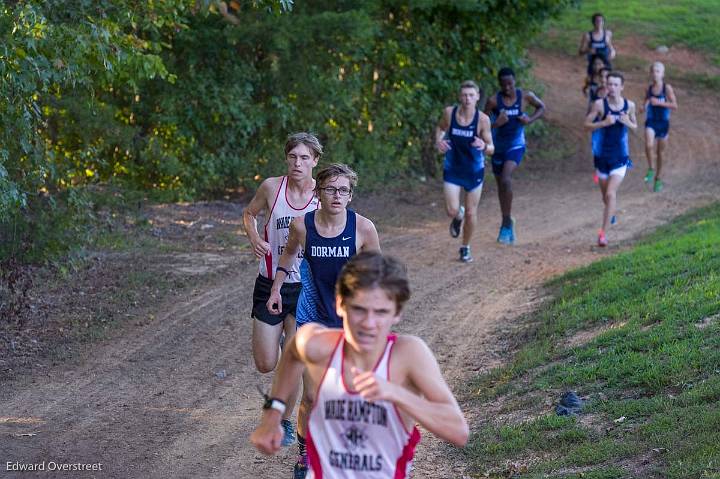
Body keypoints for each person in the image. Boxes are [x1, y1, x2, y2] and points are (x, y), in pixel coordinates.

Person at [251, 252, 469, 478]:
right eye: (359, 309)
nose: (369, 323)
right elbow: (294, 352)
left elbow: (458, 431)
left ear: (397, 313)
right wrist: (273, 414)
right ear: (340, 304)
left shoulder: (408, 355)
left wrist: (395, 393)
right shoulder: (318, 344)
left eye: (381, 312)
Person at [267, 163, 381, 478]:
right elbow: (288, 254)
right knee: (315, 395)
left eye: (343, 190)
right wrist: (276, 288)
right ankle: (305, 454)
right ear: (318, 193)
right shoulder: (303, 226)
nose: (336, 196)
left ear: (350, 195)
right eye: (330, 189)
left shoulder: (363, 228)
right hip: (312, 319)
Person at [242, 132, 322, 447]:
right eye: (293, 157)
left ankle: (284, 422)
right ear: (286, 159)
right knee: (265, 362)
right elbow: (249, 214)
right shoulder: (271, 188)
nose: (297, 163)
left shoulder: (323, 195)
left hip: (305, 288)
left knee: (295, 358)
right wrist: (253, 237)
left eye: (304, 158)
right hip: (269, 283)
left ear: (315, 161)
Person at [434, 80, 494, 262]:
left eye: (471, 95)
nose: (467, 99)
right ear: (460, 97)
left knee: (471, 212)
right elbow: (440, 128)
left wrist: (484, 145)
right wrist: (439, 141)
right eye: (464, 95)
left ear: (477, 97)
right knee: (452, 210)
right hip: (452, 168)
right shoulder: (449, 113)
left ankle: (465, 247)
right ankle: (457, 216)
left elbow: (492, 147)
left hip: (474, 171)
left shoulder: (483, 120)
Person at [484, 68, 545, 245]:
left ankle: (505, 224)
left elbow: (542, 107)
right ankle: (507, 220)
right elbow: (482, 126)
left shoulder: (525, 96)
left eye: (510, 84)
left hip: (516, 144)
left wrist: (530, 120)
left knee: (506, 178)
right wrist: (496, 123)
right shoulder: (493, 101)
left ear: (515, 82)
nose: (508, 88)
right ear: (499, 85)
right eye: (504, 85)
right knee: (501, 187)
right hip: (497, 146)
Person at [584, 72, 637, 247]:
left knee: (610, 193)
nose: (612, 88)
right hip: (601, 157)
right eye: (610, 84)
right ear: (606, 86)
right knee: (605, 197)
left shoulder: (630, 106)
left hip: (621, 157)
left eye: (616, 84)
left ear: (622, 87)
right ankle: (611, 212)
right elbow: (586, 125)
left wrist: (627, 122)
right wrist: (603, 123)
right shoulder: (599, 105)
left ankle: (603, 234)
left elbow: (635, 126)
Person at [642, 61, 678, 192]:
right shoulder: (649, 88)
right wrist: (643, 107)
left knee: (660, 153)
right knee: (648, 145)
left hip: (663, 123)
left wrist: (659, 103)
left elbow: (675, 105)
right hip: (651, 121)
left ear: (663, 74)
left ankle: (658, 178)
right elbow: (646, 101)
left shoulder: (666, 88)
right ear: (650, 74)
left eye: (658, 71)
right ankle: (651, 168)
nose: (655, 74)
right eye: (653, 71)